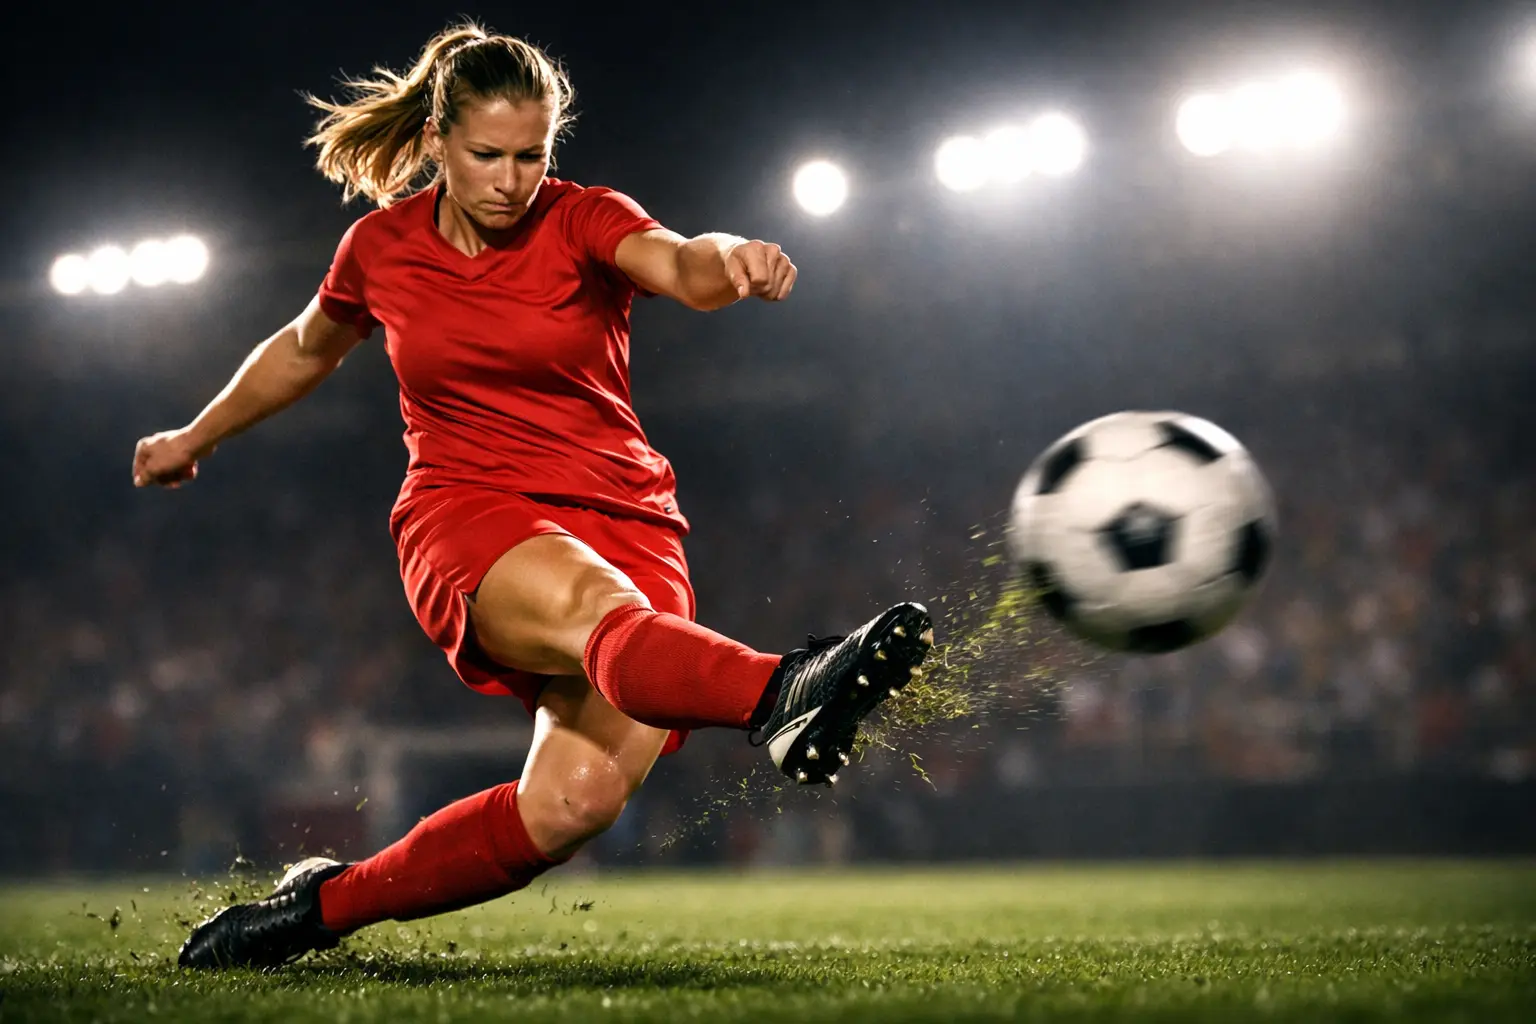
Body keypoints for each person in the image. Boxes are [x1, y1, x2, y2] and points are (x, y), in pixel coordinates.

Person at [135, 23, 933, 970]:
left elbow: (680, 260)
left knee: (572, 805)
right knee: (596, 609)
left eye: (532, 154)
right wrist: (195, 435)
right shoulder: (380, 246)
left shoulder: (583, 216)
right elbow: (307, 347)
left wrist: (736, 259)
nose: (512, 179)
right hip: (468, 508)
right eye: (488, 156)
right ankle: (782, 690)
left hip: (629, 515)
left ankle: (319, 908)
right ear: (436, 140)